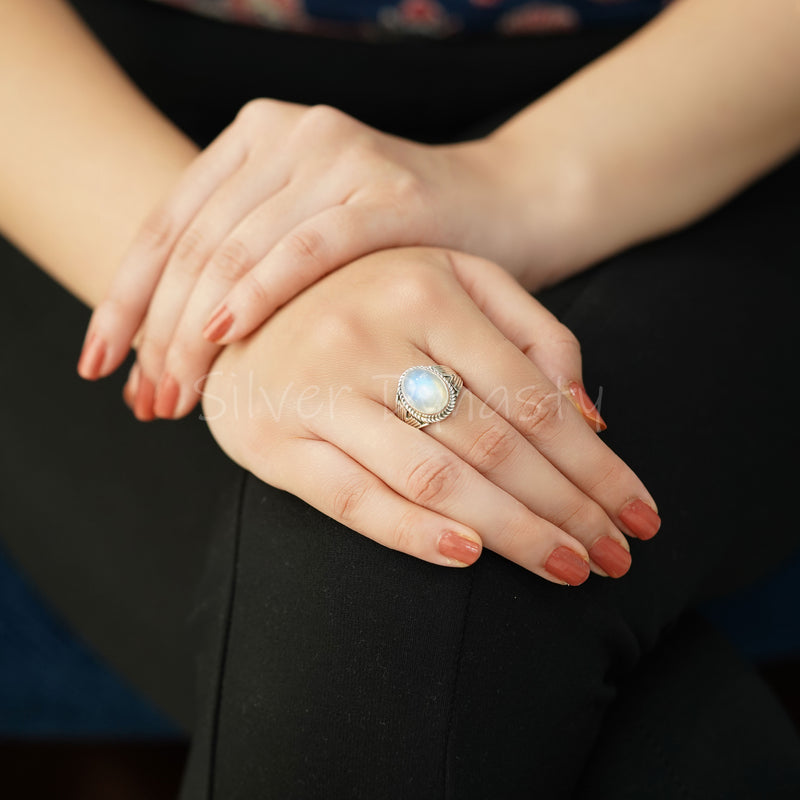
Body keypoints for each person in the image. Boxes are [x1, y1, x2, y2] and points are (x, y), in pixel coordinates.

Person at [1, 0, 799, 797]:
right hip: (91, 130)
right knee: (411, 565)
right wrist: (228, 278)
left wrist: (519, 180)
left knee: (432, 562)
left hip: (698, 115)